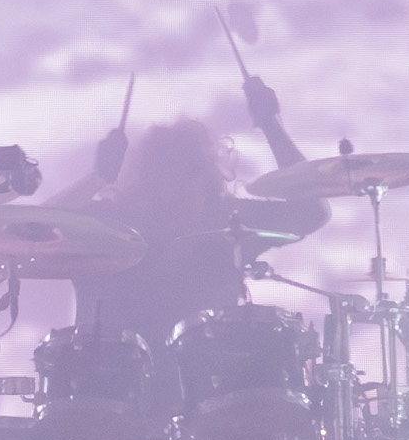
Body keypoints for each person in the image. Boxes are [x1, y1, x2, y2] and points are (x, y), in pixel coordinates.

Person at [48, 75, 326, 348]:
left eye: (189, 174)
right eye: (166, 177)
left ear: (206, 179)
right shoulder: (112, 223)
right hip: (109, 370)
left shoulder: (228, 222)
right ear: (146, 181)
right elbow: (35, 230)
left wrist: (271, 126)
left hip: (208, 374)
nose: (177, 188)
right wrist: (97, 178)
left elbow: (312, 211)